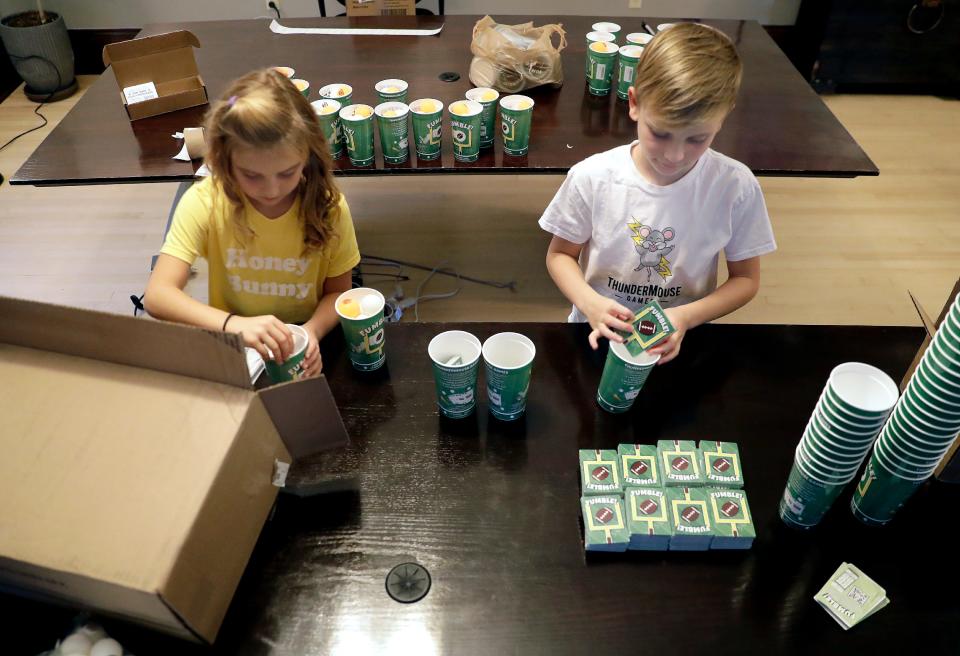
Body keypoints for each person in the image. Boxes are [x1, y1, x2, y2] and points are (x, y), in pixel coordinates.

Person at [540, 23, 776, 364]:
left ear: (724, 117)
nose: (674, 156)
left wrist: (685, 317)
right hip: (595, 333)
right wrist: (590, 303)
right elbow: (559, 256)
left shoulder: (734, 186)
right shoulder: (593, 177)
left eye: (696, 139)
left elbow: (745, 280)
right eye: (661, 133)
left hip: (683, 337)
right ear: (634, 103)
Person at [144, 69, 360, 376]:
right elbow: (158, 295)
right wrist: (234, 325)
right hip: (234, 338)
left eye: (287, 173)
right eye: (252, 176)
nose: (271, 191)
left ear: (309, 157)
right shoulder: (205, 201)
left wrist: (312, 331)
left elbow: (339, 292)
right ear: (224, 160)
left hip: (302, 339)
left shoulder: (329, 207)